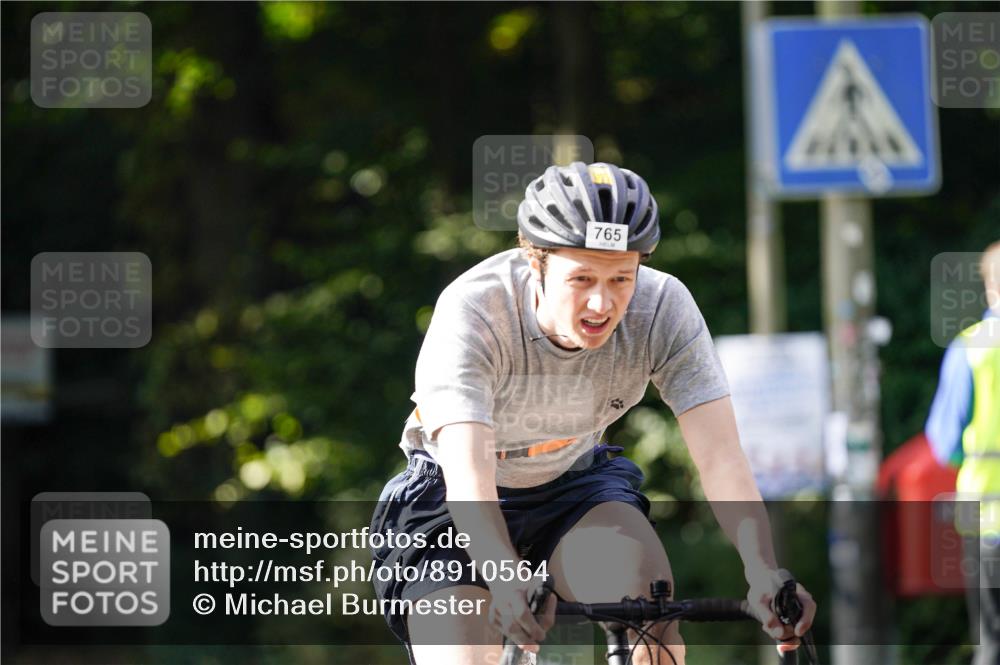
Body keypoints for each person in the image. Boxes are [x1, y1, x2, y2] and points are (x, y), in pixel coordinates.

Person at [368, 162, 816, 665]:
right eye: (581, 278)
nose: (602, 302)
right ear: (534, 262)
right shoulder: (475, 312)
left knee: (650, 624)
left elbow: (721, 458)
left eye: (621, 277)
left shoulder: (663, 307)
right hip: (452, 499)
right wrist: (504, 576)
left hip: (574, 485)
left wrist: (762, 570)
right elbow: (469, 475)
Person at [926, 240, 1000, 665]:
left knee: (992, 643)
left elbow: (944, 442)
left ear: (990, 288)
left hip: (988, 521)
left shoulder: (972, 349)